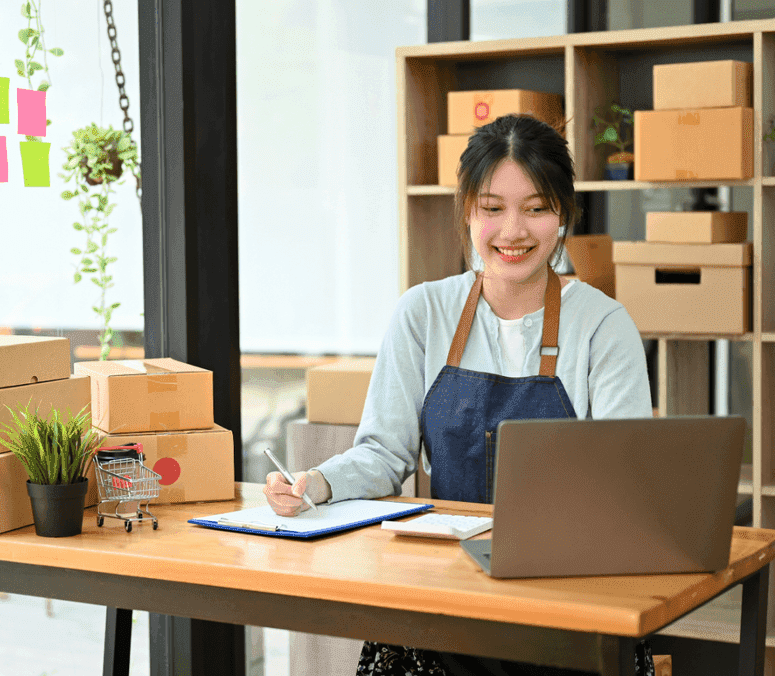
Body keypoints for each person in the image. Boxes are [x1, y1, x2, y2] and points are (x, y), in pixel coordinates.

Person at [264, 114, 653, 676]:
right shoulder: (422, 312)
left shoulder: (603, 325)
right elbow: (383, 454)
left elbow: (627, 480)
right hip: (444, 601)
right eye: (492, 208)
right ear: (468, 212)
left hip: (568, 603)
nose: (513, 231)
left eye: (536, 208)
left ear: (563, 214)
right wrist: (315, 485)